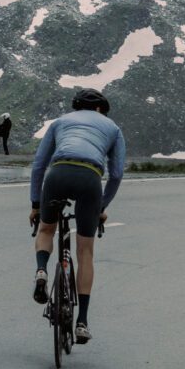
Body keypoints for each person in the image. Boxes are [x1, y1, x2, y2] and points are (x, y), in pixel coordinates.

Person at [28, 88, 126, 344]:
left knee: (47, 229)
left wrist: (36, 204)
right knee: (85, 251)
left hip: (58, 173)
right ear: (99, 109)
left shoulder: (60, 122)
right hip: (89, 177)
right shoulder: (113, 127)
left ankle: (41, 270)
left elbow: (39, 164)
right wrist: (101, 208)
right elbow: (116, 174)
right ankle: (82, 320)